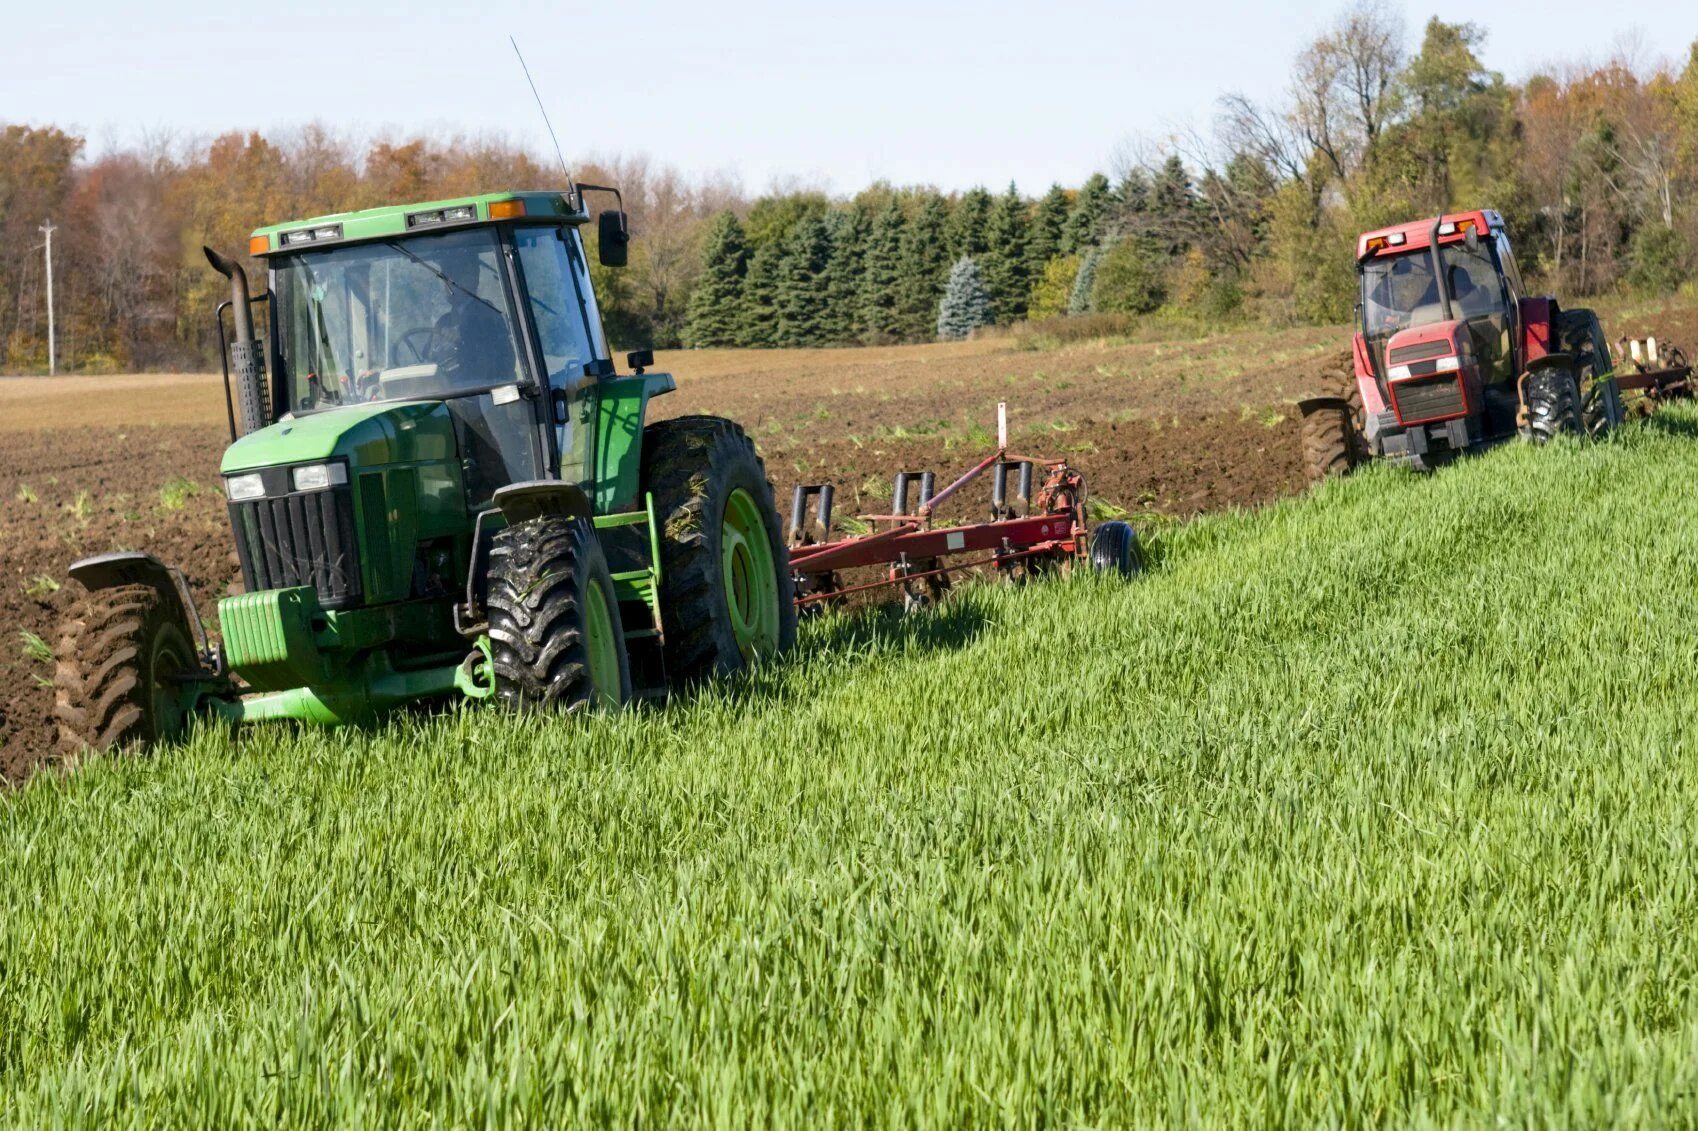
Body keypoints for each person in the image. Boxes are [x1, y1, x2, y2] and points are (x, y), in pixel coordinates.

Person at [430, 251, 517, 389]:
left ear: (473, 277)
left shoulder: (487, 315)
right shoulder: (444, 322)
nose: (447, 282)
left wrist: (460, 341)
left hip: (481, 394)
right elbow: (430, 359)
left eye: (453, 274)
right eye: (444, 276)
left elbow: (498, 362)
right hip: (448, 393)